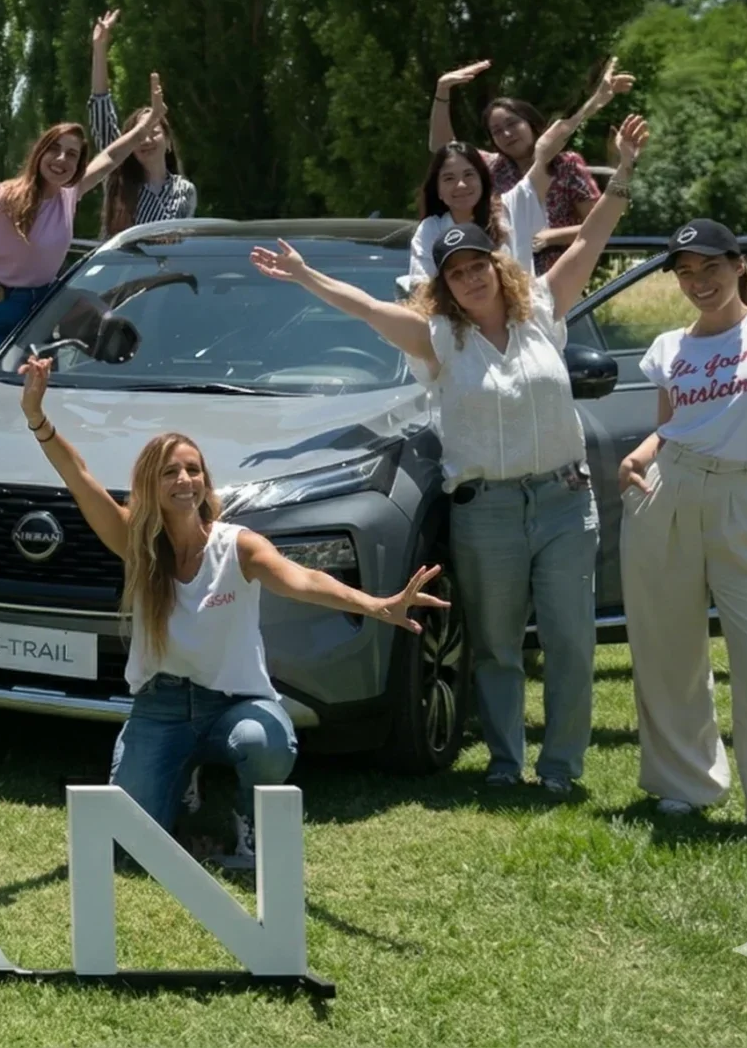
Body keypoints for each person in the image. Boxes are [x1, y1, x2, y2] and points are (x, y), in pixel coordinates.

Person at [253, 114, 648, 794]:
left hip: (562, 502)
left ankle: (559, 769)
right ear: (442, 283)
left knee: (569, 642)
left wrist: (624, 171)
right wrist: (303, 275)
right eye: (455, 271)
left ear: (498, 267)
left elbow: (589, 240)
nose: (469, 278)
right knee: (494, 647)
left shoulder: (544, 313)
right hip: (485, 509)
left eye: (478, 266)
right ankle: (503, 763)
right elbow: (364, 309)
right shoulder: (437, 339)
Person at [13, 355, 441, 865]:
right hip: (162, 706)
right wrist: (36, 415)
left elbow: (302, 579)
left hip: (233, 703)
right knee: (127, 854)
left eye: (193, 469)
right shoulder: (137, 544)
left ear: (205, 481)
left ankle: (246, 821)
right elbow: (79, 477)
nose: (184, 479)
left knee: (265, 743)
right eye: (170, 471)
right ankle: (183, 773)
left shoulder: (237, 545)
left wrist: (375, 604)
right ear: (151, 484)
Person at [615, 219, 747, 824]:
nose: (699, 282)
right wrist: (640, 454)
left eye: (710, 267)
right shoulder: (670, 347)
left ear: (737, 264)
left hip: (745, 495)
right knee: (666, 646)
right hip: (667, 490)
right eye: (686, 272)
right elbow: (669, 426)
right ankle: (685, 781)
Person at [0, 73, 172, 361]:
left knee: (102, 336)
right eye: (55, 149)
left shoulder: (67, 195)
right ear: (39, 153)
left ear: (78, 164)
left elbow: (111, 157)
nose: (62, 159)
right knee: (18, 386)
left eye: (72, 154)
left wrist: (146, 126)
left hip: (44, 311)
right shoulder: (2, 199)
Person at [410, 57, 634, 281]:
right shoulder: (491, 167)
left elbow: (599, 225)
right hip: (503, 284)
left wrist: (551, 237)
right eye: (497, 131)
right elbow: (445, 150)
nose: (507, 134)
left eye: (512, 124)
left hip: (561, 280)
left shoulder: (566, 165)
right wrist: (442, 92)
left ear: (530, 122)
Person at [87, 11, 196, 238]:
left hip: (164, 273)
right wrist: (99, 48)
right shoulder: (118, 174)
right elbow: (100, 109)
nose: (145, 140)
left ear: (168, 143)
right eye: (138, 135)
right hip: (118, 272)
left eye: (153, 132)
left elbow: (176, 241)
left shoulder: (184, 191)